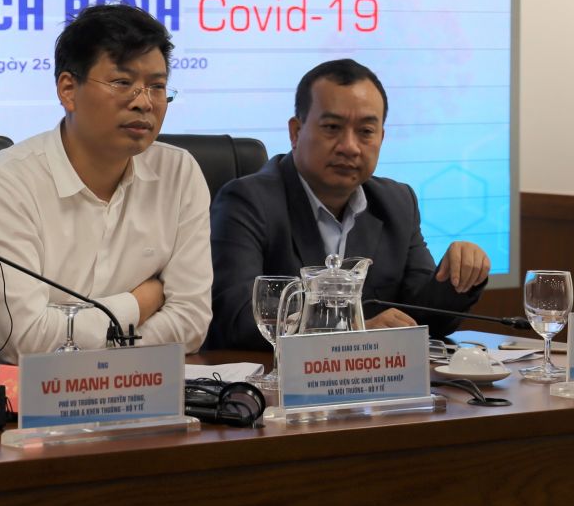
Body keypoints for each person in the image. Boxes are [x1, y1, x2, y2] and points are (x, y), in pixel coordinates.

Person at [0, 4, 213, 366]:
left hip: (143, 387)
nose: (144, 102)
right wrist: (141, 302)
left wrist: (96, 346)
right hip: (17, 395)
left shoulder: (179, 173)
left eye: (157, 87)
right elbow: (26, 342)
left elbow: (191, 323)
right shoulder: (3, 184)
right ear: (68, 90)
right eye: (122, 83)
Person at [206, 58, 491, 350]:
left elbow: (422, 317)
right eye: (332, 127)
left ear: (381, 137)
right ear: (296, 132)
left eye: (365, 131)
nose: (350, 147)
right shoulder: (247, 202)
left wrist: (458, 276)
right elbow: (237, 320)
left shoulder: (396, 203)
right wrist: (354, 331)